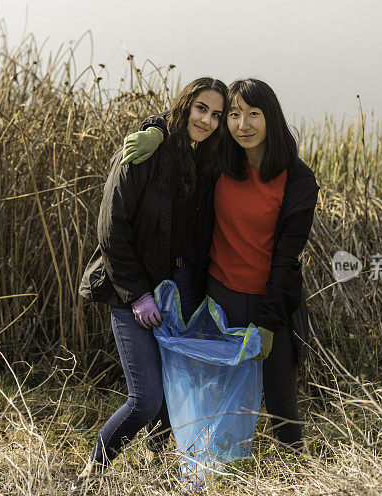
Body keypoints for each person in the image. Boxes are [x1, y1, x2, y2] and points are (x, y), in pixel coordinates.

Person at [122, 78, 319, 450]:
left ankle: (297, 474)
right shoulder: (218, 163)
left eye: (253, 115)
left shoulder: (297, 179)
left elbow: (287, 261)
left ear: (271, 118)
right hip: (219, 299)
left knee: (281, 403)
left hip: (270, 304)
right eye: (234, 115)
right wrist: (156, 132)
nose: (242, 125)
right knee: (206, 391)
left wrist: (270, 324)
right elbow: (188, 124)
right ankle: (169, 460)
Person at [77, 77, 227, 478]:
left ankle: (156, 464)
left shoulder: (206, 157)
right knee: (145, 399)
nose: (207, 120)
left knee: (172, 391)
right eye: (200, 109)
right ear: (185, 106)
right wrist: (137, 294)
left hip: (182, 288)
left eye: (216, 115)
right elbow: (112, 229)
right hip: (134, 288)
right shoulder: (144, 150)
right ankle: (93, 470)